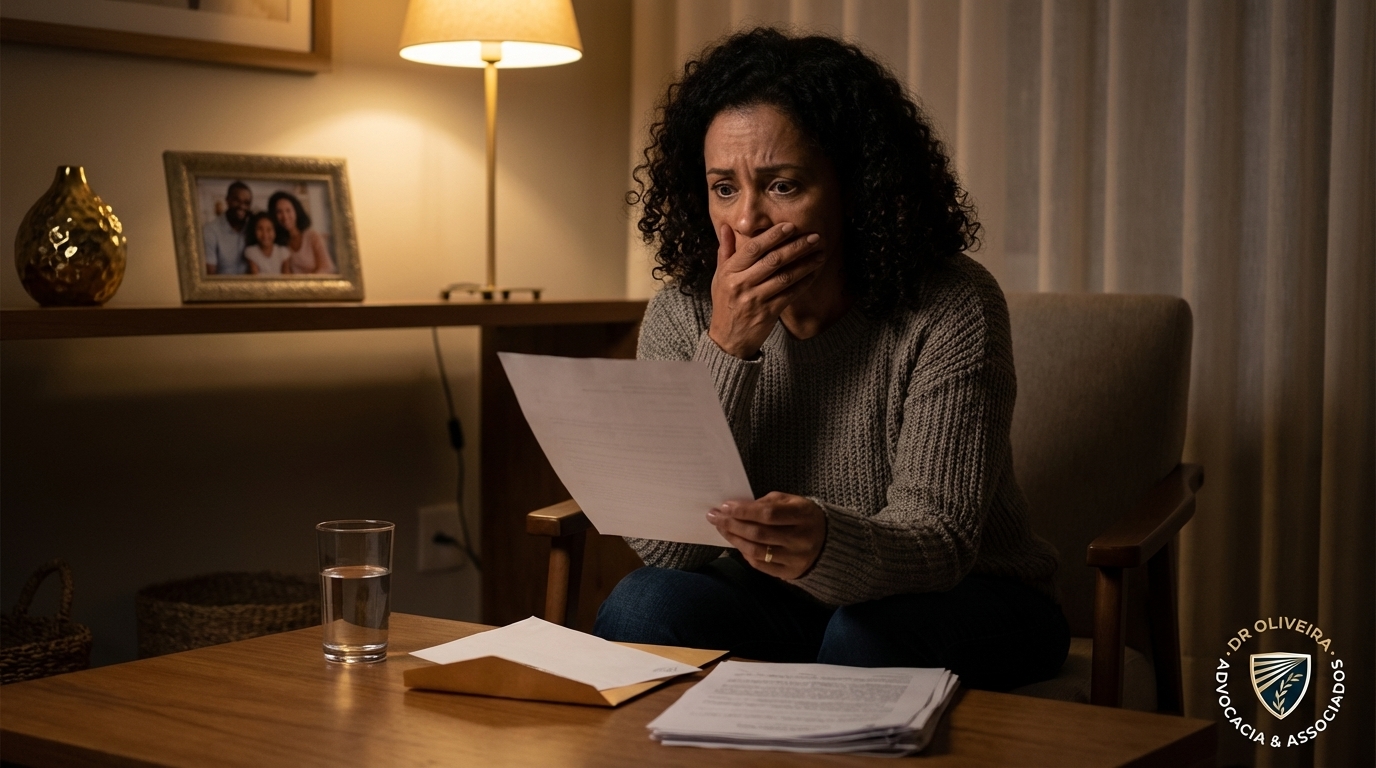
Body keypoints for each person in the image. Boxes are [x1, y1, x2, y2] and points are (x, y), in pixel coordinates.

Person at [593, 28, 1069, 692]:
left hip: (971, 597)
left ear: (856, 189)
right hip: (777, 599)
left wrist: (825, 544)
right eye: (723, 188)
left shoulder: (949, 305)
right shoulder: (682, 313)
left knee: (861, 636)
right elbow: (669, 550)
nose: (748, 220)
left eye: (782, 185)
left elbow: (941, 541)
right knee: (643, 603)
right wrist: (728, 347)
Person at [268, 191, 336, 275]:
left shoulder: (312, 236)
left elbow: (328, 267)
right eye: (279, 212)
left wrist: (308, 283)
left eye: (288, 210)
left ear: (296, 211)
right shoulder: (277, 243)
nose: (285, 216)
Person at [203, 181, 252, 275]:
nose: (242, 206)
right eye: (237, 200)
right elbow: (210, 275)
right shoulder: (210, 230)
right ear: (227, 200)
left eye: (246, 203)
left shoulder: (252, 227)